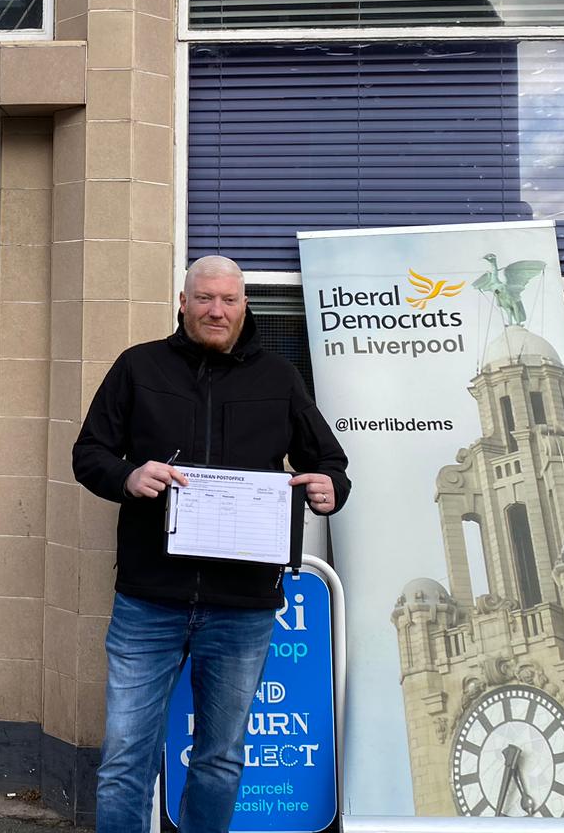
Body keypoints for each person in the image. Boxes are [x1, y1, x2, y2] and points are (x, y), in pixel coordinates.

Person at [72, 255, 350, 833]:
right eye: (203, 299)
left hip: (241, 606)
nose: (215, 310)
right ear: (182, 301)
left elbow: (328, 461)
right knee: (127, 757)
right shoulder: (137, 367)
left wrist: (330, 487)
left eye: (227, 300)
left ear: (245, 305)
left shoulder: (279, 378)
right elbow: (89, 454)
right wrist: (127, 476)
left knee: (221, 759)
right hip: (149, 600)